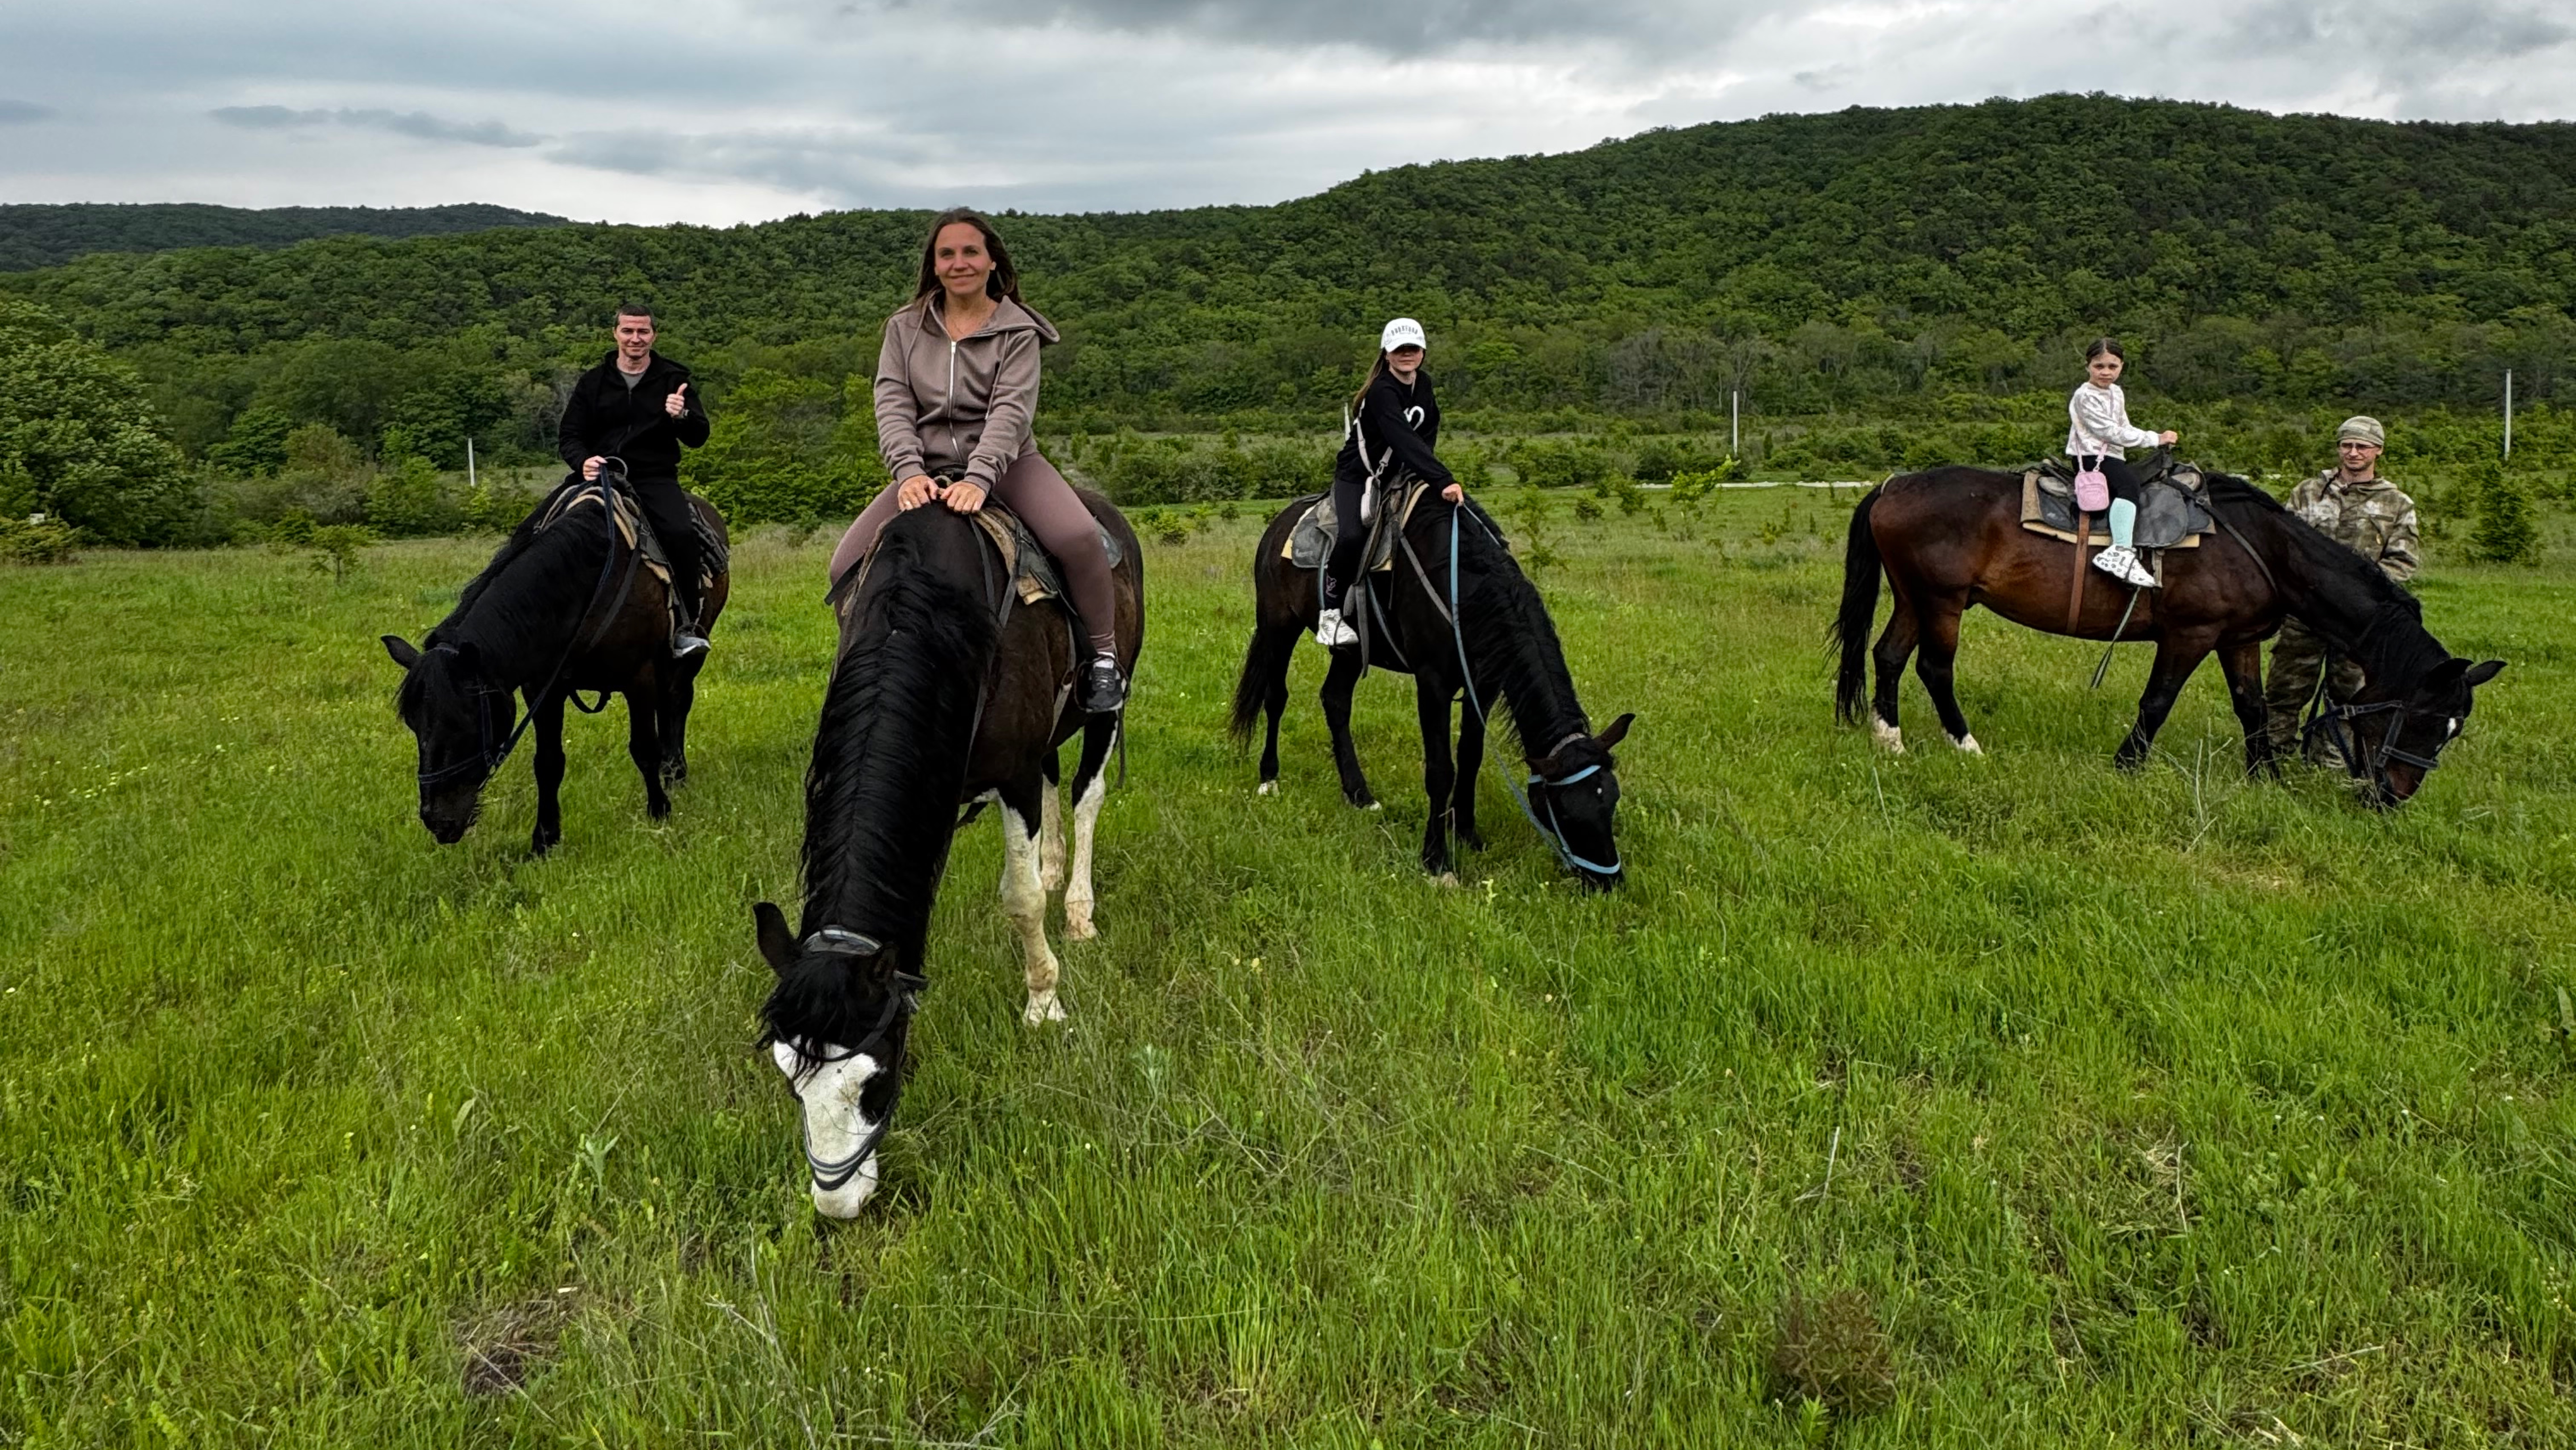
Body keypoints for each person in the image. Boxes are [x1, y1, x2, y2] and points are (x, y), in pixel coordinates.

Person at [827, 208, 1126, 713]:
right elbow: (892, 402)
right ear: (934, 264)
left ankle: (1102, 656)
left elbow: (1011, 411)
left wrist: (982, 478)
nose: (958, 262)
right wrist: (908, 472)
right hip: (924, 469)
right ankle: (872, 664)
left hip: (1008, 467)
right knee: (845, 564)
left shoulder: (1017, 330)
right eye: (947, 254)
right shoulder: (904, 328)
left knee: (1077, 538)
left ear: (992, 263)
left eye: (971, 252)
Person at [558, 304, 714, 657]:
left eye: (643, 332)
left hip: (653, 477)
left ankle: (686, 627)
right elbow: (570, 434)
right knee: (539, 528)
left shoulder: (675, 379)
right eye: (628, 331)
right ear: (616, 334)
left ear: (654, 335)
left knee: (679, 533)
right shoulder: (593, 383)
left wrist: (682, 415)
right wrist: (583, 461)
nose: (635, 339)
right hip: (600, 475)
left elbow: (699, 435)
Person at [2263, 415, 2422, 757]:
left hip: (2358, 622)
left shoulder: (2397, 503)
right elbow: (2282, 545)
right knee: (2285, 688)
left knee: (2351, 693)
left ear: (2378, 451)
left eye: (2362, 447)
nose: (2353, 453)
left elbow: (2403, 561)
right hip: (2306, 610)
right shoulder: (2307, 492)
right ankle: (2275, 754)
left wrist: (2361, 596)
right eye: (2346, 445)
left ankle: (2331, 759)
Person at [1316, 317, 1466, 647]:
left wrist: (1423, 475)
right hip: (1358, 476)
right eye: (1400, 350)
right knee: (1353, 535)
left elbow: (1427, 434)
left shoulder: (1424, 385)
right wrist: (1442, 478)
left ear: (1423, 352)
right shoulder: (1382, 391)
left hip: (1401, 475)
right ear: (1387, 354)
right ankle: (1329, 615)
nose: (1407, 355)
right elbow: (1402, 438)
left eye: (1413, 349)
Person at [2066, 337, 2177, 590]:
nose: (2106, 372)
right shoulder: (2085, 396)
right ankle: (2121, 551)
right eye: (2099, 366)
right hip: (2092, 456)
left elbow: (2123, 427)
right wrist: (2154, 438)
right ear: (2088, 367)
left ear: (2122, 367)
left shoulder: (2116, 393)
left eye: (2112, 367)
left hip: (2113, 455)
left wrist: (2150, 439)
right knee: (2130, 488)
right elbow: (2109, 432)